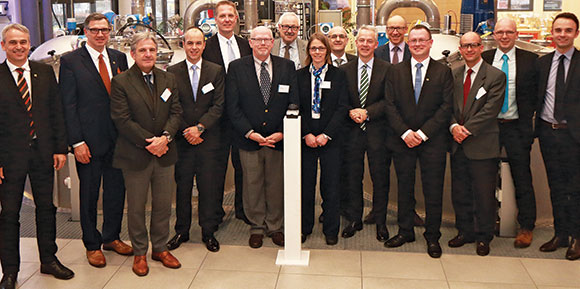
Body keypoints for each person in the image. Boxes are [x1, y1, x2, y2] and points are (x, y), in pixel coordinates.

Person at [0, 23, 74, 289]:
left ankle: (48, 259)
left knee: (47, 208)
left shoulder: (43, 72)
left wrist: (59, 148)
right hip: (9, 159)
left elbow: (56, 113)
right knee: (9, 214)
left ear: (29, 43)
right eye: (13, 42)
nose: (19, 47)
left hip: (43, 153)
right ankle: (9, 271)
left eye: (23, 41)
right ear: (4, 46)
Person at [59, 13, 133, 268]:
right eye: (95, 30)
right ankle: (92, 243)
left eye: (104, 30)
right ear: (85, 32)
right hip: (88, 143)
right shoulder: (70, 61)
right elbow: (68, 105)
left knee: (116, 191)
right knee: (89, 194)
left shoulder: (119, 58)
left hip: (118, 141)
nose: (100, 34)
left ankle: (111, 237)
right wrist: (76, 142)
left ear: (110, 31)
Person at [109, 32, 183, 276]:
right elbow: (121, 118)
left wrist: (166, 138)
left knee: (163, 205)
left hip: (165, 153)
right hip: (136, 155)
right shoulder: (121, 82)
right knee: (137, 207)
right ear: (133, 54)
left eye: (152, 50)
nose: (148, 54)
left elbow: (176, 113)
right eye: (143, 50)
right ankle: (140, 251)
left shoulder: (168, 78)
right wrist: (149, 142)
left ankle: (159, 248)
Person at [226, 26, 299, 249]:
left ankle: (275, 226)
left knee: (276, 184)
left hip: (279, 138)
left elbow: (294, 101)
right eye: (258, 40)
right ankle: (256, 226)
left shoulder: (287, 66)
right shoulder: (237, 68)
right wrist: (251, 133)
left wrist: (283, 132)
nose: (263, 44)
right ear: (250, 42)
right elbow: (233, 106)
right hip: (249, 139)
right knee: (252, 183)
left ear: (272, 42)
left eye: (267, 39)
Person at [384, 25, 453, 258]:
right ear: (407, 43)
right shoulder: (395, 71)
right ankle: (406, 231)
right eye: (413, 40)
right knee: (405, 188)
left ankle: (432, 236)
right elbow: (389, 105)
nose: (417, 44)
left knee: (433, 190)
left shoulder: (443, 72)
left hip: (432, 142)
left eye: (422, 40)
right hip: (402, 141)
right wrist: (405, 133)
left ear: (431, 43)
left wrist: (422, 134)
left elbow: (446, 107)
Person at [166, 27, 225, 253]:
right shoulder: (172, 72)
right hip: (183, 141)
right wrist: (188, 131)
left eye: (198, 43)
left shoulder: (216, 71)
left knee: (208, 187)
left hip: (208, 139)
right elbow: (173, 107)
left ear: (204, 45)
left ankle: (208, 231)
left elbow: (218, 105)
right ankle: (181, 230)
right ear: (183, 44)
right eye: (189, 43)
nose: (194, 47)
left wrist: (200, 128)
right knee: (182, 188)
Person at [482, 17, 538, 249]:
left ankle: (526, 226)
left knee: (522, 177)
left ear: (516, 35)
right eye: (500, 32)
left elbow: (537, 95)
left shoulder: (530, 61)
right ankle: (484, 223)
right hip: (488, 127)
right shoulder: (484, 59)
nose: (504, 36)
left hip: (517, 127)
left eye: (509, 32)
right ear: (493, 35)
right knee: (484, 176)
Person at [448, 32, 505, 256]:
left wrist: (467, 130)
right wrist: (454, 127)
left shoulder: (495, 76)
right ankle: (464, 231)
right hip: (457, 143)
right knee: (460, 191)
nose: (469, 49)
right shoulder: (453, 74)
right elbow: (447, 106)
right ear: (460, 49)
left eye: (473, 45)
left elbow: (491, 110)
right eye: (465, 46)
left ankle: (483, 236)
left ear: (481, 48)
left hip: (482, 144)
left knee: (483, 194)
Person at [202, 0, 252, 225]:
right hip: (217, 118)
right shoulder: (206, 46)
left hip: (242, 116)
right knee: (216, 168)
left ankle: (243, 209)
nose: (227, 19)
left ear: (236, 19)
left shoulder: (245, 45)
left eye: (231, 15)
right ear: (215, 19)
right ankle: (214, 213)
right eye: (222, 16)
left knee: (243, 166)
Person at [535, 12, 580, 260]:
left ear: (576, 33)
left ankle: (577, 237)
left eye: (568, 30)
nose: (562, 34)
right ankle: (561, 234)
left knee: (576, 188)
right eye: (558, 30)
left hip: (575, 136)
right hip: (548, 133)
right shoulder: (542, 63)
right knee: (556, 187)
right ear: (551, 33)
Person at [297, 33, 348, 245]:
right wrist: (306, 133)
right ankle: (304, 227)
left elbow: (342, 107)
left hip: (331, 137)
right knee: (305, 186)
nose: (317, 52)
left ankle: (330, 229)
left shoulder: (339, 75)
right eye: (313, 49)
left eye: (321, 48)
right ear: (308, 52)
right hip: (306, 136)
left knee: (331, 186)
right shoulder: (298, 76)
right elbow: (294, 106)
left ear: (327, 51)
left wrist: (327, 135)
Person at [341, 25, 390, 242]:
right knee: (352, 178)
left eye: (369, 41)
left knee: (380, 178)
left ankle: (380, 221)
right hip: (351, 133)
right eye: (361, 40)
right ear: (355, 42)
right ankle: (354, 219)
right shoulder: (345, 70)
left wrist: (368, 112)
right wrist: (350, 111)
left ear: (376, 44)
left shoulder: (388, 69)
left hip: (378, 132)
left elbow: (390, 101)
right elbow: (339, 101)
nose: (365, 44)